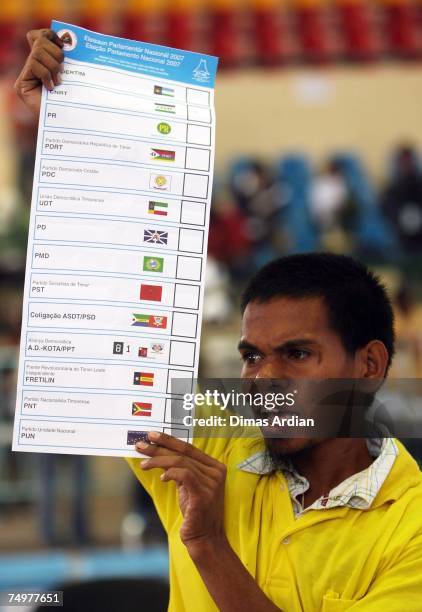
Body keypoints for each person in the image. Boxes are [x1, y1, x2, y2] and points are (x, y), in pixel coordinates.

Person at [15, 30, 422, 611]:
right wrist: (60, 118)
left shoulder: (412, 526)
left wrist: (207, 541)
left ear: (370, 364)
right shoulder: (209, 436)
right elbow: (111, 292)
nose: (261, 380)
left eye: (298, 354)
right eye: (252, 355)